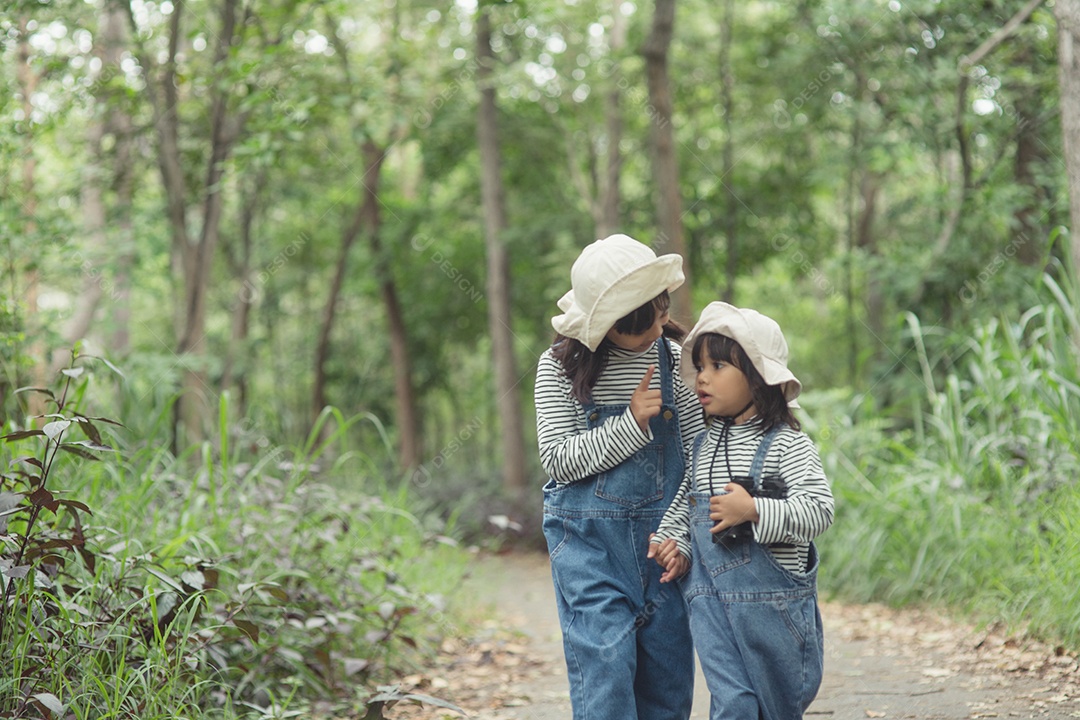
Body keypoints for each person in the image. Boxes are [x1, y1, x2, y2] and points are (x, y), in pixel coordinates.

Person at [535, 233, 706, 720]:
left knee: (667, 681)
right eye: (641, 324)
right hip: (589, 546)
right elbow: (559, 460)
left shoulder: (677, 361)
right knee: (604, 667)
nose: (658, 327)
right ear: (606, 327)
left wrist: (681, 535)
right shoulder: (558, 369)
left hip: (663, 548)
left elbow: (701, 458)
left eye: (661, 310)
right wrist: (631, 425)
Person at [648, 301, 835, 720]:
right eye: (699, 367)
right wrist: (673, 542)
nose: (702, 377)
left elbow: (819, 510)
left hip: (772, 608)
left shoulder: (787, 444)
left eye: (717, 366)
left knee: (775, 707)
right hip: (710, 603)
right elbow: (688, 502)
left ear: (757, 375)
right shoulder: (704, 444)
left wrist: (754, 510)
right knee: (733, 702)